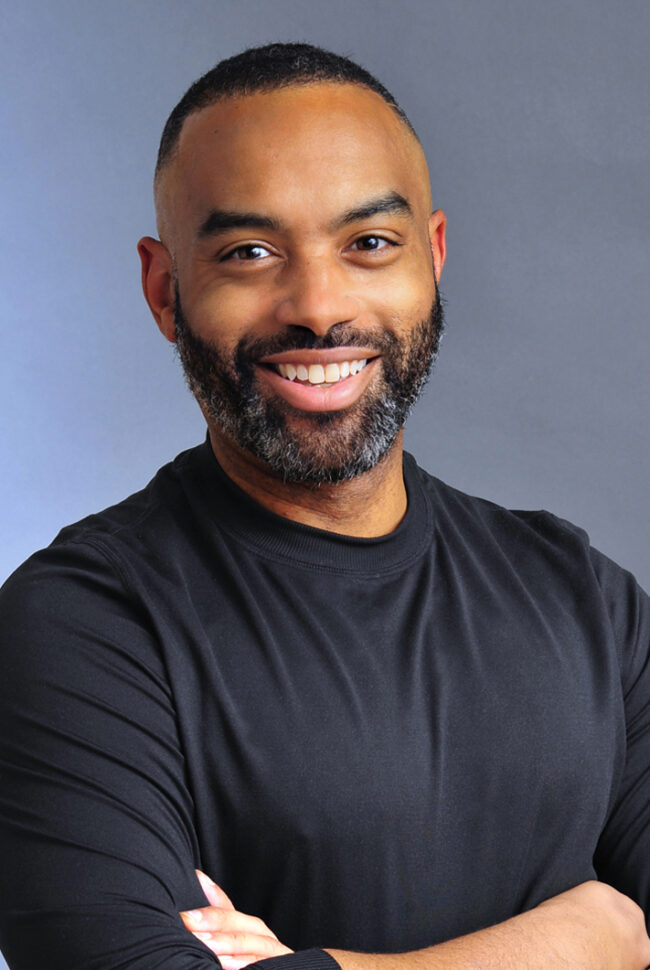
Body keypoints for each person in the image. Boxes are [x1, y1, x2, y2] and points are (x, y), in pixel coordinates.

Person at [0, 41, 649, 970]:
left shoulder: (588, 602)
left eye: (369, 244)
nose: (316, 305)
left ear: (431, 258)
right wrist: (591, 941)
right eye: (250, 252)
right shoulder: (85, 624)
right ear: (164, 290)